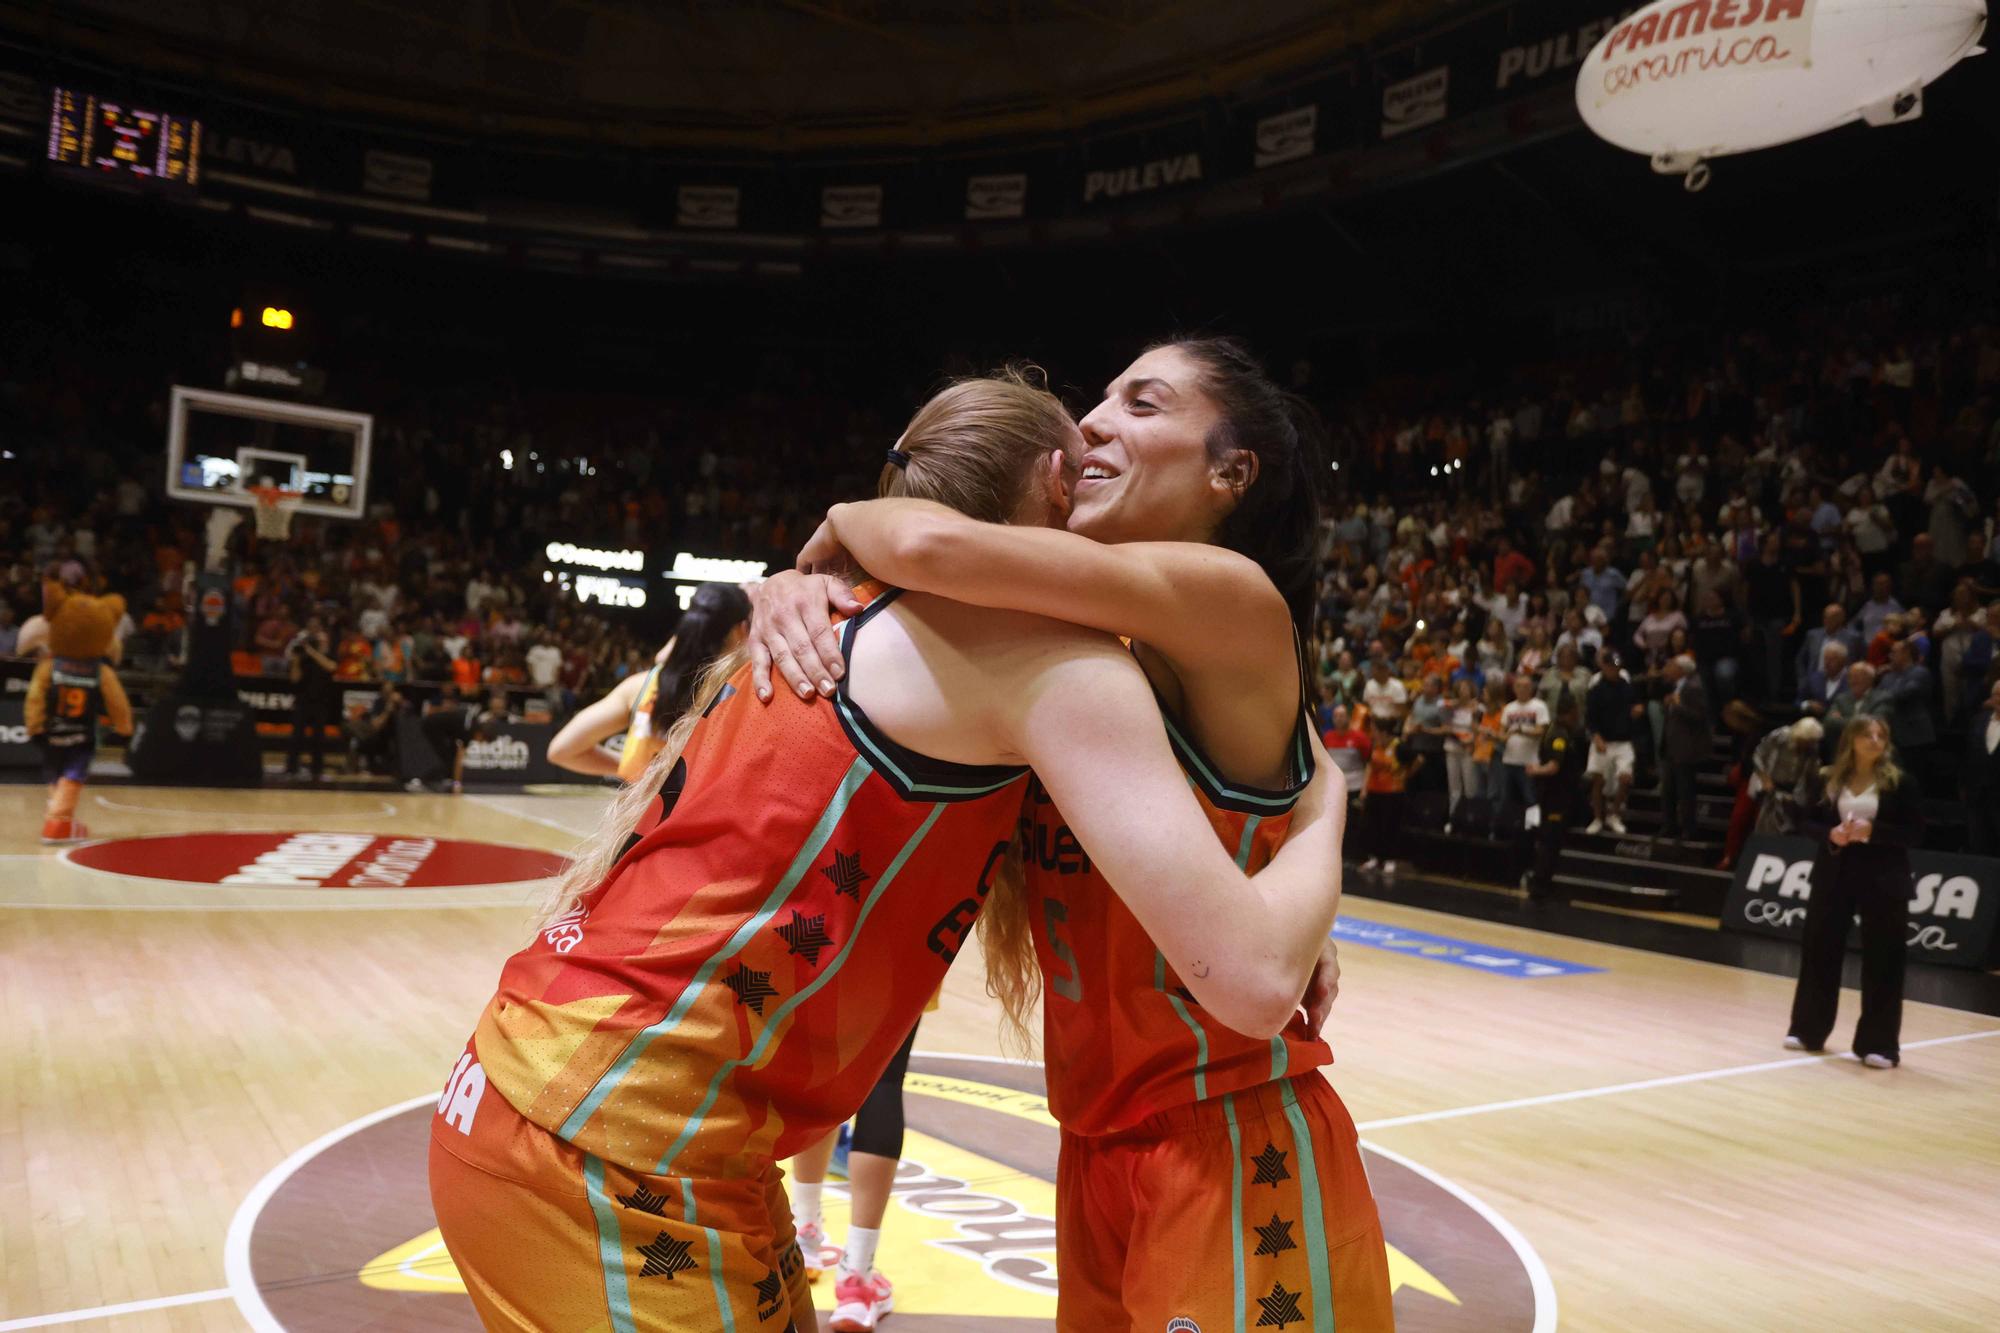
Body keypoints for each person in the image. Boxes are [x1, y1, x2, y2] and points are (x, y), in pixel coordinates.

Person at [432, 372, 1352, 1333]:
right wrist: (1325, 816)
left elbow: (1222, 878)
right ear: (1050, 480)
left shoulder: (849, 614)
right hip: (622, 1139)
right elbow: (1243, 951)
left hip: (599, 1104)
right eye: (1091, 418)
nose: (1096, 423)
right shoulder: (1048, 663)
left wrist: (1288, 854)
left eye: (1142, 403)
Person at [754, 341, 1390, 1331]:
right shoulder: (1095, 646)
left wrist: (833, 527)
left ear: (1230, 472)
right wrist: (792, 592)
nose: (1091, 421)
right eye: (1100, 398)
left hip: (1226, 1136)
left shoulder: (1228, 592)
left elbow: (927, 546)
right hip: (1096, 1138)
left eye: (1140, 403)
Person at [1786, 717, 1923, 1068]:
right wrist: (1830, 834)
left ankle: (1880, 1045)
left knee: (1885, 959)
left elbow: (1916, 832)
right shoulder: (1827, 778)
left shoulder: (1900, 783)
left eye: (1881, 735)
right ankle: (1807, 1030)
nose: (1875, 740)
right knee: (1819, 949)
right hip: (1835, 872)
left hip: (1884, 877)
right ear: (1851, 740)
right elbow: (1806, 821)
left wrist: (1873, 831)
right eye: (1868, 734)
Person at [546, 583, 752, 779]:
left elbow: (562, 750)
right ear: (741, 629)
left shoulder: (642, 687)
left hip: (647, 813)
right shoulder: (748, 694)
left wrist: (640, 771)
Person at [1524, 690, 1587, 903]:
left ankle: (1544, 882)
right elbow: (1553, 766)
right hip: (1556, 796)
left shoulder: (1555, 729)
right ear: (1569, 712)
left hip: (1557, 794)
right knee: (1549, 841)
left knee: (1552, 841)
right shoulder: (1559, 735)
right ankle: (1539, 885)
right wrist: (1536, 771)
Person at [1584, 650, 1640, 835]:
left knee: (1625, 777)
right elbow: (1590, 718)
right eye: (1611, 667)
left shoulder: (1627, 687)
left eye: (1617, 667)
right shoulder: (1597, 690)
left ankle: (1614, 814)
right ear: (1604, 667)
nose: (1614, 670)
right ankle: (1598, 817)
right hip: (1603, 739)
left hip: (1623, 741)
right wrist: (1597, 737)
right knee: (1598, 779)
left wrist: (1637, 711)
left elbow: (1636, 706)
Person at [1658, 655, 1711, 842]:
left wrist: (1677, 706)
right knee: (1668, 791)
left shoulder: (1694, 687)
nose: (1667, 668)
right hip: (1672, 747)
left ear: (1681, 669)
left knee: (1685, 791)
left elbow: (1699, 716)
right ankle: (1669, 825)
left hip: (1686, 749)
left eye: (1671, 665)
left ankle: (1688, 828)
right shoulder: (1677, 685)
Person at [284, 620, 339, 781]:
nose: (321, 642)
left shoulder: (329, 655)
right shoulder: (304, 658)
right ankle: (291, 767)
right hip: (303, 701)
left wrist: (313, 652)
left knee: (318, 738)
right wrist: (296, 660)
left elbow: (331, 667)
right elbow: (294, 679)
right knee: (296, 736)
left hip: (321, 702)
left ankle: (317, 769)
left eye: (323, 640)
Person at [1964, 679, 2000, 855]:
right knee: (1979, 842)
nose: (1999, 699)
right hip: (1978, 794)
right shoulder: (1979, 720)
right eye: (1997, 695)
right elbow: (1967, 754)